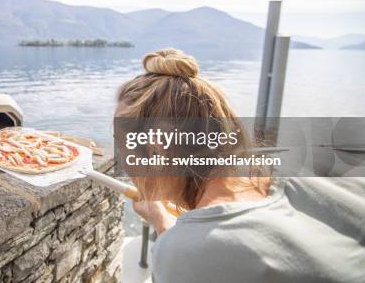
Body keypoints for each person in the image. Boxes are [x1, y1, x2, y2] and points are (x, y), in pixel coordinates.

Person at [116, 48, 365, 283]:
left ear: (157, 149)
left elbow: (197, 254)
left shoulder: (184, 254)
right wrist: (162, 219)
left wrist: (166, 231)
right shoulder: (315, 174)